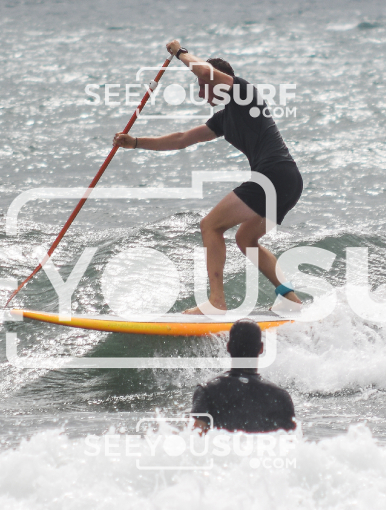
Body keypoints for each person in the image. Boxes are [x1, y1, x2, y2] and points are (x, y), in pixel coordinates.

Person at [113, 40, 303, 315]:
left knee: (210, 226)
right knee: (246, 239)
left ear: (220, 83)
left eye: (204, 86)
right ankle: (290, 298)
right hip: (288, 181)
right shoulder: (224, 119)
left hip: (274, 175)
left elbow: (203, 71)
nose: (201, 93)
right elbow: (181, 139)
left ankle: (216, 302)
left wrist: (180, 52)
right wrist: (136, 143)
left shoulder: (243, 93)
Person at [190, 319, 296, 433]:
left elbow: (196, 437)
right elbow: (291, 441)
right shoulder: (280, 397)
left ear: (228, 347)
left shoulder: (207, 391)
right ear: (261, 348)